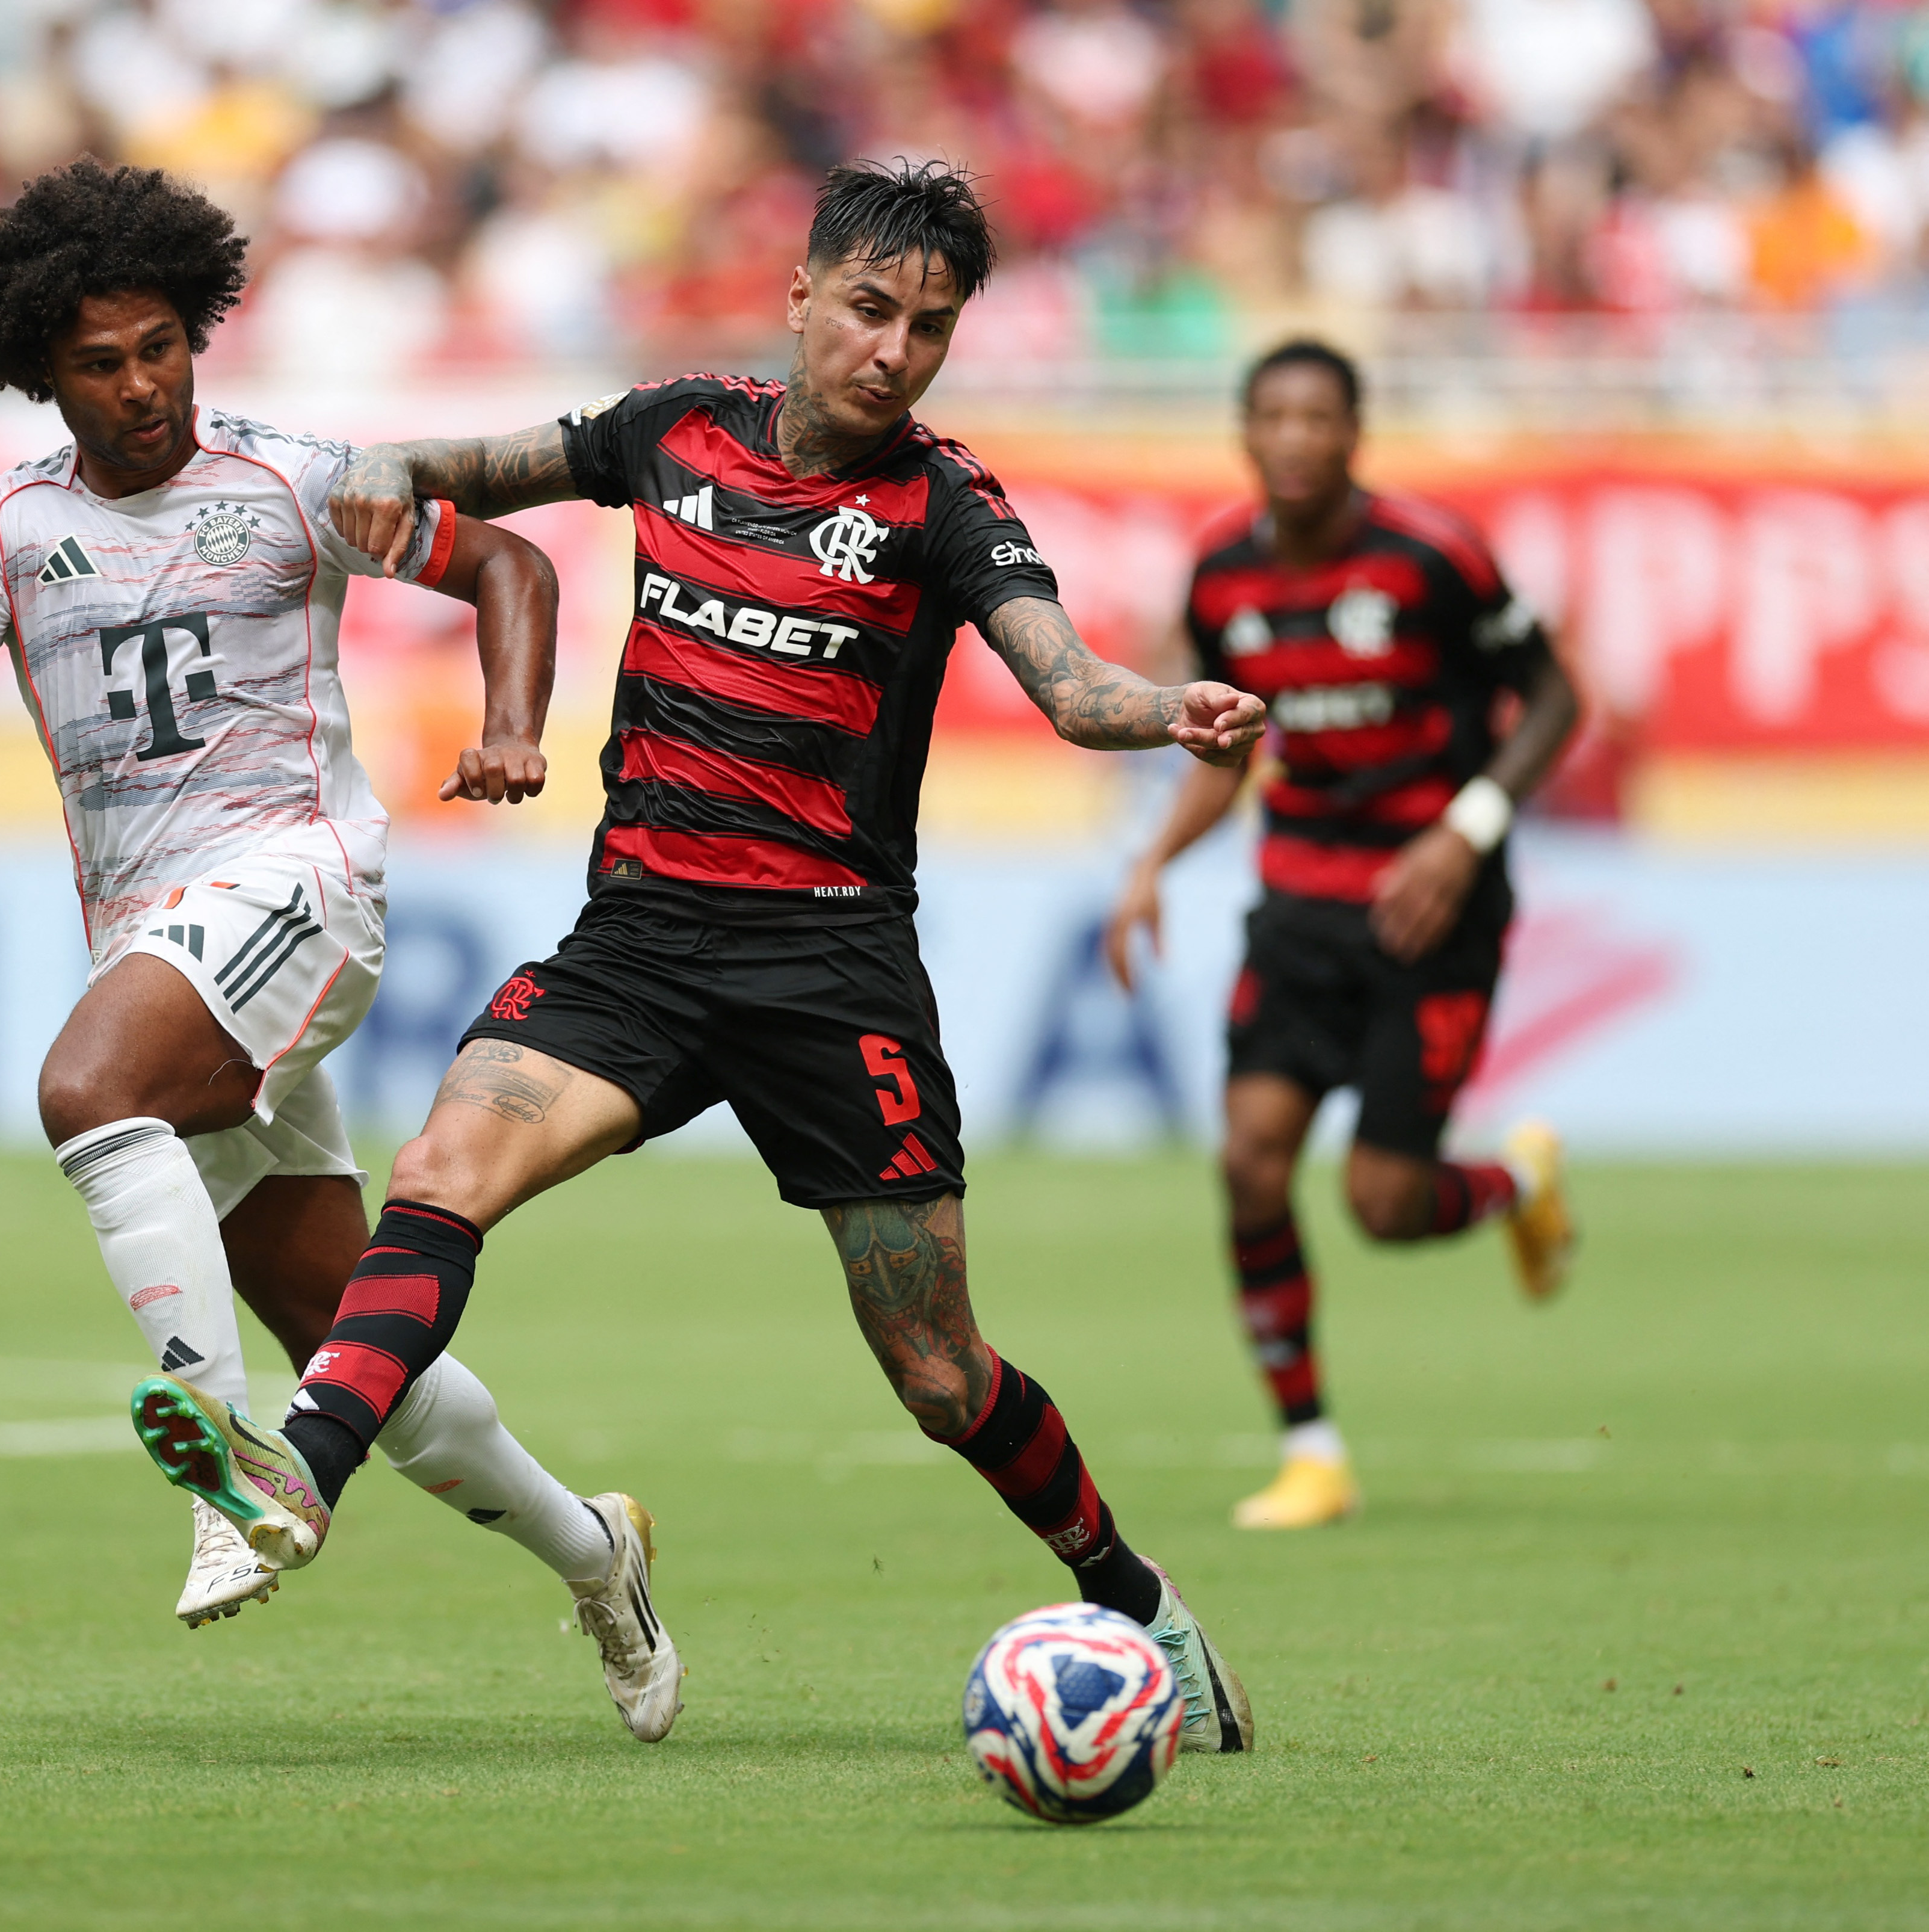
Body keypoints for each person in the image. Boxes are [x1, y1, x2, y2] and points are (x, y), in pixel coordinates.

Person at [132, 159, 1267, 1754]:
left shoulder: (944, 506)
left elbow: (1071, 687)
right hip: (641, 946)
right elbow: (465, 467)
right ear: (799, 296)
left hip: (829, 970)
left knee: (937, 1374)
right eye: (867, 309)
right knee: (443, 1165)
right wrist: (373, 469)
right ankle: (299, 1477)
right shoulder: (674, 430)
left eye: (929, 328)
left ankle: (1130, 1593)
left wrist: (1168, 710)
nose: (892, 351)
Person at [0, 159, 681, 1738]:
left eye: (162, 346)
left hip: (303, 884)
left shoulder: (293, 478)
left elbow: (508, 563)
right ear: (41, 373)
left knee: (84, 1089)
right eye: (100, 363)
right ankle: (599, 1554)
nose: (141, 385)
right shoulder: (4, 525)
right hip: (158, 940)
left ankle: (225, 1466)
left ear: (199, 333)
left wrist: (513, 725)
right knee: (354, 1350)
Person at [1102, 339, 1580, 1532]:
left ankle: (1518, 1181)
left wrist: (1465, 832)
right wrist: (1150, 863)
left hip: (1433, 909)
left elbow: (1555, 696)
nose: (1296, 438)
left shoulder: (1432, 556)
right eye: (1274, 416)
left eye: (1318, 417)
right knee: (1248, 1161)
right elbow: (1228, 755)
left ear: (1354, 434)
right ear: (1244, 433)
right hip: (1300, 911)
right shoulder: (1221, 576)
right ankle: (1310, 1452)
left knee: (1382, 1203)